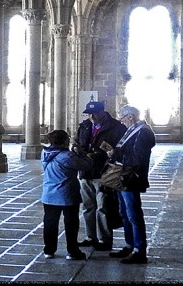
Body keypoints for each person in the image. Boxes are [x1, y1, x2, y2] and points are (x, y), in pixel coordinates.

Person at [104, 104, 156, 264]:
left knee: (133, 213)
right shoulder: (133, 129)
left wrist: (119, 157)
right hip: (124, 176)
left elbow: (138, 158)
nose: (121, 122)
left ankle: (139, 250)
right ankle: (129, 245)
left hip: (131, 177)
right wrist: (116, 153)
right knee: (125, 213)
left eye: (122, 118)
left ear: (130, 117)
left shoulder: (143, 132)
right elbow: (128, 151)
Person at [73, 100, 127, 252]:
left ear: (102, 112)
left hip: (104, 171)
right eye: (89, 114)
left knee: (103, 206)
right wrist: (77, 148)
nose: (92, 117)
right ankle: (91, 237)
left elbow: (121, 147)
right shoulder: (84, 125)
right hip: (85, 171)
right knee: (87, 206)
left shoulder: (116, 127)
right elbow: (79, 141)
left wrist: (104, 154)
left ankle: (104, 239)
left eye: (95, 113)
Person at [40, 129, 91, 260]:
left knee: (50, 222)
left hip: (49, 194)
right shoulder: (67, 156)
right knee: (71, 223)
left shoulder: (45, 152)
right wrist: (81, 153)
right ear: (64, 141)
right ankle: (72, 251)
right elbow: (87, 165)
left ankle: (49, 250)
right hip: (67, 194)